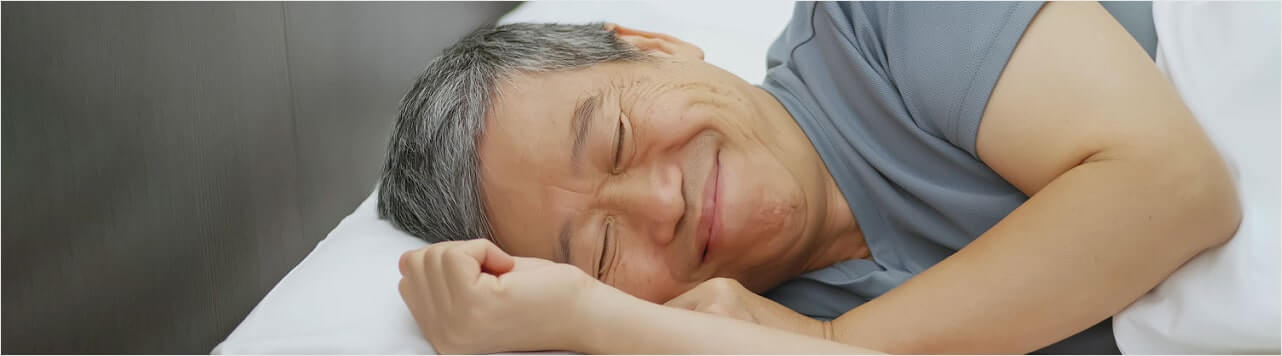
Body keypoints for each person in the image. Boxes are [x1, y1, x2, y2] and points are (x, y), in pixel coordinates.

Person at [380, 2, 1240, 354]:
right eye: (602, 252)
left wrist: (828, 345)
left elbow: (1172, 187)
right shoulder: (718, 331)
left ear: (653, 46)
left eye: (617, 139)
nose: (662, 203)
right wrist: (587, 319)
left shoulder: (878, 18)